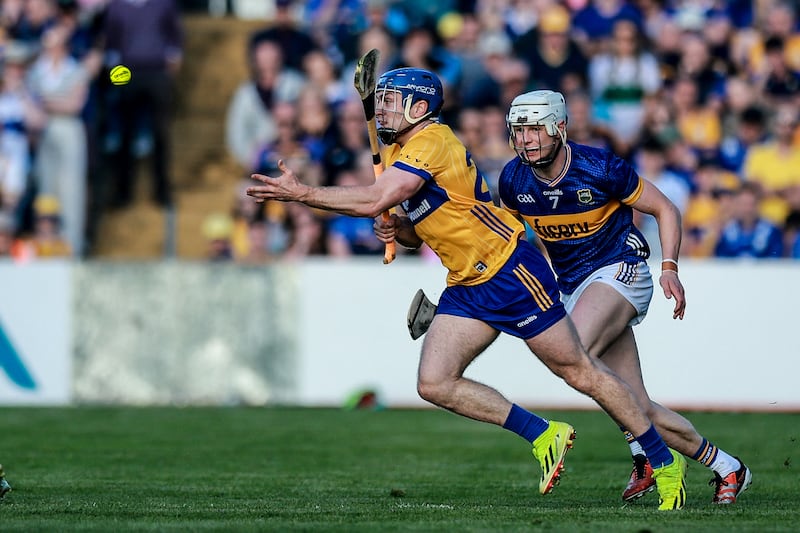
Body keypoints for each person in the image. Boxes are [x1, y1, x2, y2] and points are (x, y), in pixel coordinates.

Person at [247, 67, 688, 509]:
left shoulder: (432, 142)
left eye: (389, 101)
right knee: (435, 382)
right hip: (467, 281)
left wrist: (303, 193)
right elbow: (418, 231)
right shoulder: (404, 149)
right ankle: (543, 434)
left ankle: (664, 464)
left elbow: (373, 198)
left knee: (579, 371)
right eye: (378, 101)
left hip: (509, 269)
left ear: (419, 108)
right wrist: (397, 227)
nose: (380, 108)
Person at [496, 89, 752, 505]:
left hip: (622, 269)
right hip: (575, 285)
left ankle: (644, 453)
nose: (525, 139)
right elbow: (501, 239)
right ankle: (727, 466)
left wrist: (669, 267)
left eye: (535, 130)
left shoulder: (599, 166)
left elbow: (666, 208)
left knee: (570, 351)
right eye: (518, 130)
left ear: (560, 128)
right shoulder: (513, 179)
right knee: (637, 407)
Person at [103, 0, 183, 208]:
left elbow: (174, 34)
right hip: (127, 71)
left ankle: (161, 190)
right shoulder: (117, 6)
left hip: (157, 71)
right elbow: (111, 42)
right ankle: (123, 192)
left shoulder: (163, 4)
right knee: (125, 133)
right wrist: (115, 75)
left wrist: (173, 62)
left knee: (160, 134)